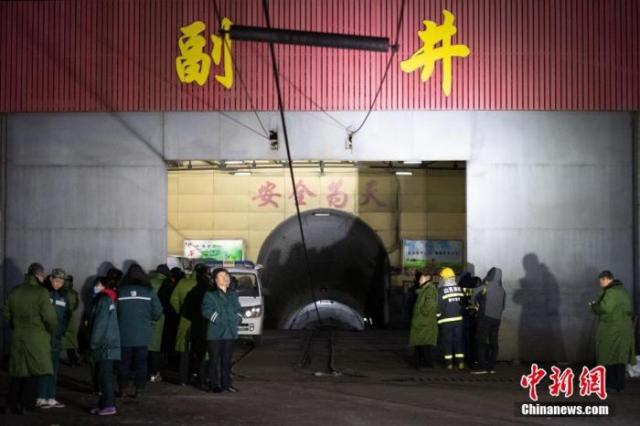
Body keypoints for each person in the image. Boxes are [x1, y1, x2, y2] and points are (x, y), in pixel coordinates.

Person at [2, 263, 58, 415]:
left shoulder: (14, 291)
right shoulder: (41, 292)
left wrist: (15, 325)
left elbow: (5, 313)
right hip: (36, 337)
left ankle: (10, 404)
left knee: (17, 372)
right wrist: (51, 330)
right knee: (34, 371)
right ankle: (26, 405)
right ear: (38, 275)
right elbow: (50, 317)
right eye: (42, 275)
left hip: (18, 336)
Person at [116, 263, 162, 398]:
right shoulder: (149, 292)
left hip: (123, 334)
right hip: (143, 334)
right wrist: (149, 318)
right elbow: (158, 312)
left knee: (123, 363)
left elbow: (114, 312)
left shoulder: (120, 291)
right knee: (141, 363)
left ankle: (122, 388)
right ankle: (139, 389)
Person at [590, 271, 635, 392]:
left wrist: (594, 305)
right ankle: (619, 386)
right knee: (619, 359)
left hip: (612, 330)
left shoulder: (611, 292)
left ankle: (610, 385)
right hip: (623, 329)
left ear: (606, 279)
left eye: (601, 281)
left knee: (608, 356)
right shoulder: (622, 290)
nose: (600, 284)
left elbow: (605, 308)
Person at [202, 268, 242, 393]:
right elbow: (206, 310)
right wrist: (219, 320)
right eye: (221, 275)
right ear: (215, 280)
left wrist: (237, 319)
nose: (225, 278)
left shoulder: (233, 294)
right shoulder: (210, 295)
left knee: (227, 360)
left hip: (230, 332)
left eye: (226, 275)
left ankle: (227, 384)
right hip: (215, 333)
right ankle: (214, 384)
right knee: (214, 360)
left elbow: (238, 310)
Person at [36, 269, 71, 409]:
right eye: (56, 281)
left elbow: (66, 316)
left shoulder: (64, 296)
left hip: (56, 338)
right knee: (43, 367)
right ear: (50, 278)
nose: (58, 284)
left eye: (61, 282)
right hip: (43, 337)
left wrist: (61, 331)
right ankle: (40, 397)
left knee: (54, 368)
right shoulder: (43, 293)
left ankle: (51, 397)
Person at [89, 276, 120, 416]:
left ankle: (109, 405)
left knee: (104, 376)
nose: (95, 287)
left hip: (104, 344)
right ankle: (103, 404)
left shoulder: (102, 300)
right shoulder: (110, 299)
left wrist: (93, 343)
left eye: (98, 284)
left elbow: (100, 325)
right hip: (110, 342)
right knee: (104, 375)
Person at [170, 263, 205, 386]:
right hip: (201, 321)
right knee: (201, 351)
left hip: (184, 320)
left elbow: (173, 299)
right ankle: (200, 377)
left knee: (184, 351)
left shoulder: (183, 283)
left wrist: (181, 312)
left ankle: (183, 379)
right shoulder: (206, 284)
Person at [471, 267, 506, 374]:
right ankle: (491, 367)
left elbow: (474, 295)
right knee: (494, 343)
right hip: (497, 319)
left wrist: (476, 306)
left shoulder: (485, 287)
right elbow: (503, 306)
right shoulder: (502, 291)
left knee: (480, 341)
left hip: (485, 318)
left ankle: (481, 367)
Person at [437, 267, 466, 370]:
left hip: (446, 321)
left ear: (444, 278)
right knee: (458, 341)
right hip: (459, 320)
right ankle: (460, 363)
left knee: (447, 342)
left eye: (441, 278)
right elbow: (463, 304)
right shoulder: (459, 289)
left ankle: (449, 364)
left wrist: (437, 316)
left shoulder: (441, 291)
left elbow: (439, 306)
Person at [409, 272, 438, 369]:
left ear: (427, 278)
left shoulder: (430, 289)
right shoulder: (424, 289)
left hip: (424, 322)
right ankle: (422, 363)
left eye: (421, 279)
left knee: (424, 343)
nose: (419, 281)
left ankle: (425, 363)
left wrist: (422, 313)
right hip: (421, 322)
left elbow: (430, 305)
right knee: (421, 343)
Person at [148, 264, 171, 382]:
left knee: (147, 345)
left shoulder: (148, 282)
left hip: (147, 317)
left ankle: (146, 372)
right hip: (160, 318)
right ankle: (154, 373)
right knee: (157, 347)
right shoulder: (166, 284)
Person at [61, 275, 80, 367]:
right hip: (71, 318)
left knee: (59, 338)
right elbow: (76, 306)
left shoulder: (59, 292)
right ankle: (73, 361)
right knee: (71, 341)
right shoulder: (74, 293)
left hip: (61, 317)